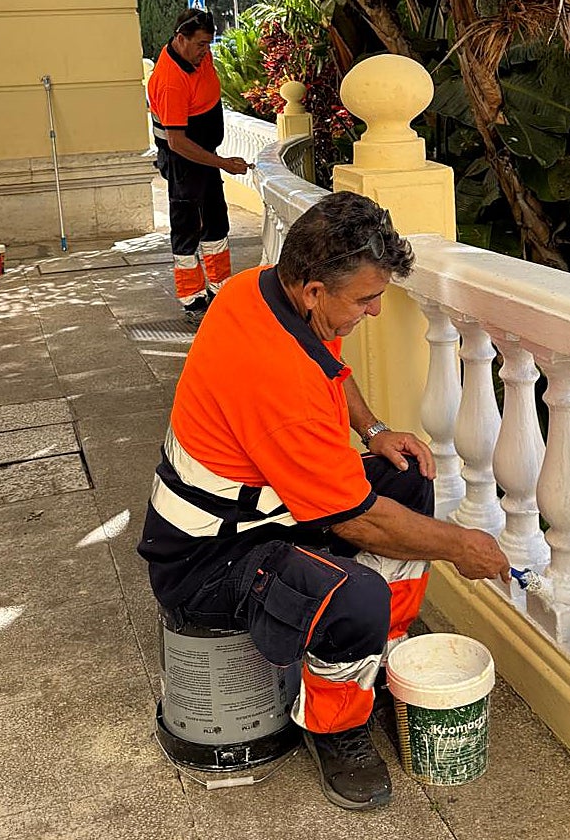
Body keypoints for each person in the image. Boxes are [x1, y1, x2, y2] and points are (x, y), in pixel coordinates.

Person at [138, 191, 510, 811]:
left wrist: (373, 430)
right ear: (314, 290)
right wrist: (465, 546)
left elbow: (330, 366)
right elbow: (361, 522)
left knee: (409, 477)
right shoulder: (277, 381)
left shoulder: (259, 291)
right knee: (355, 593)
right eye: (366, 299)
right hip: (206, 558)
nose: (373, 310)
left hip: (257, 505)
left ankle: (377, 652)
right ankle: (334, 727)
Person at [146, 9, 249, 318]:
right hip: (184, 160)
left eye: (209, 45)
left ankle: (219, 288)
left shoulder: (198, 58)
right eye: (201, 44)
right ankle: (193, 299)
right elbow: (177, 142)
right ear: (181, 38)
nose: (207, 52)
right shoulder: (170, 81)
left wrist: (215, 161)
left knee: (216, 221)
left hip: (202, 155)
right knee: (188, 226)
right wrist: (223, 163)